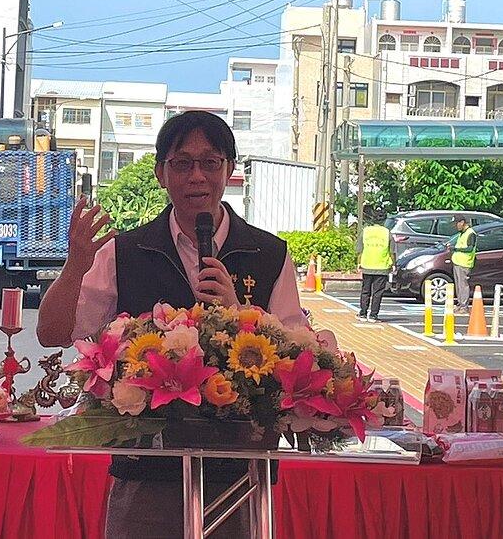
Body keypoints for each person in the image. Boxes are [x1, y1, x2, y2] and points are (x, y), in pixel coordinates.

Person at [36, 110, 310, 539]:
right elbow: (52, 334)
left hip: (238, 470)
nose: (196, 176)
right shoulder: (124, 252)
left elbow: (301, 355)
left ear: (230, 170)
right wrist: (75, 266)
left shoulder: (269, 254)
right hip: (147, 470)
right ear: (161, 173)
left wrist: (240, 313)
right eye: (182, 163)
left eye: (211, 162)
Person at [356, 221, 392, 321]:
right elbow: (392, 251)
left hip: (367, 265)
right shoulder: (387, 232)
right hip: (382, 266)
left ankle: (363, 313)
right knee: (378, 293)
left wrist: (359, 263)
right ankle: (373, 315)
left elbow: (359, 250)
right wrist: (393, 264)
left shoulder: (365, 231)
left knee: (365, 291)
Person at [450, 215, 477, 313]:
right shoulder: (462, 233)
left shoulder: (471, 233)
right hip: (457, 262)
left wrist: (455, 249)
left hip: (464, 263)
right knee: (458, 285)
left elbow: (470, 248)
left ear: (462, 222)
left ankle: (464, 306)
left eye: (456, 223)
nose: (456, 226)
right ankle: (459, 304)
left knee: (463, 285)